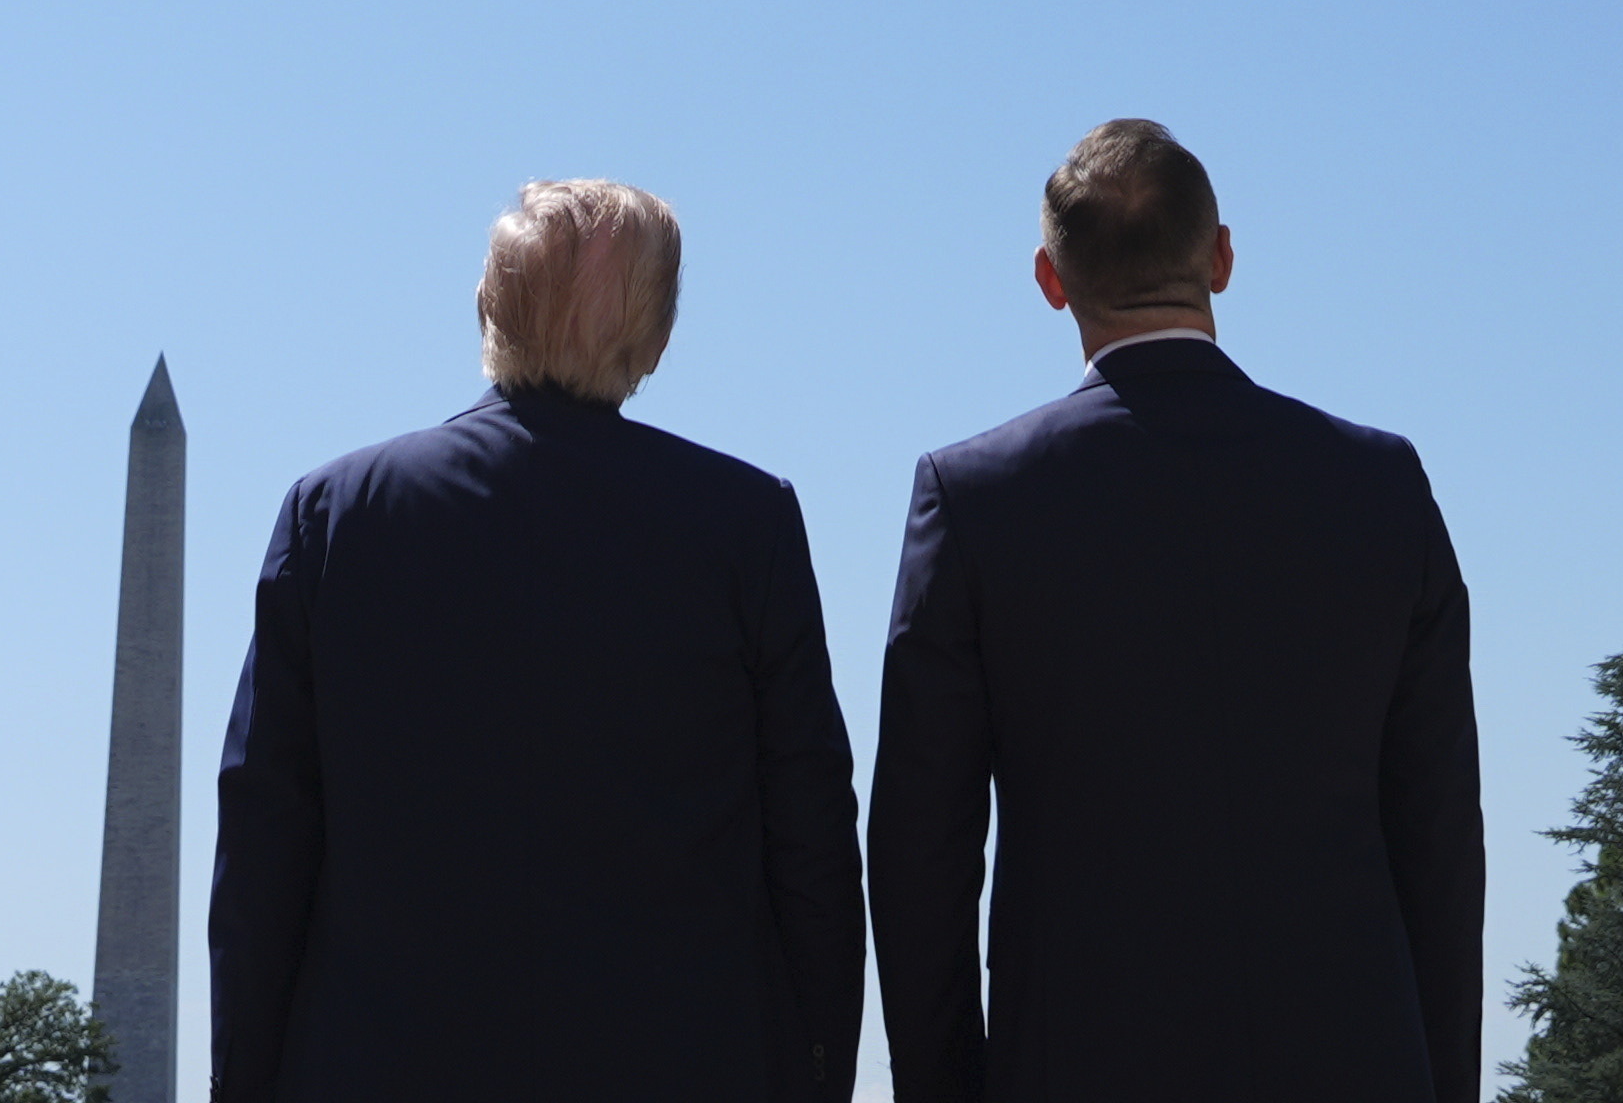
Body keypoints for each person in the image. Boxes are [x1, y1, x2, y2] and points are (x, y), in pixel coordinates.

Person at [205, 179, 863, 1102]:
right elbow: (813, 849)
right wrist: (819, 1071)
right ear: (659, 340)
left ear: (486, 309)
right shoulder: (746, 526)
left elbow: (264, 861)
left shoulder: (335, 519)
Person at [867, 120, 1475, 1103]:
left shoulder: (972, 500)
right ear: (1223, 256)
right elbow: (1438, 840)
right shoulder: (1381, 488)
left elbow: (918, 857)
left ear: (1050, 278)